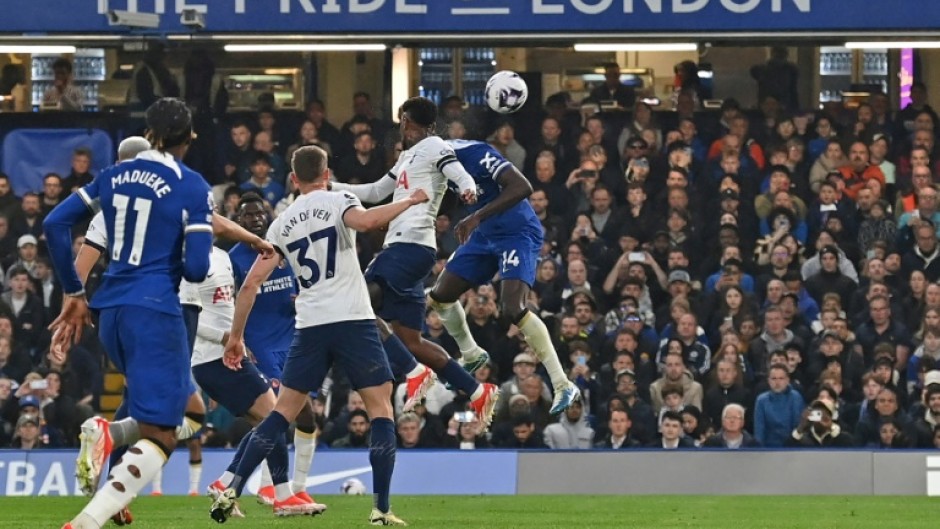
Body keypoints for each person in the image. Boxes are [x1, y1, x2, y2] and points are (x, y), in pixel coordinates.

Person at [210, 145, 426, 526]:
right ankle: (381, 508)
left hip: (310, 326)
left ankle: (231, 486)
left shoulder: (281, 222)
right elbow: (366, 222)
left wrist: (235, 337)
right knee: (381, 409)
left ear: (293, 179)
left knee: (280, 414)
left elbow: (251, 285)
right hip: (353, 320)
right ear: (327, 173)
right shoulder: (338, 199)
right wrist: (408, 201)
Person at [68, 136, 277, 523]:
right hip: (165, 308)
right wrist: (252, 239)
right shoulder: (172, 192)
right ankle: (110, 448)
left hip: (116, 313)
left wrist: (75, 303)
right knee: (185, 414)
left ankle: (112, 483)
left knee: (142, 399)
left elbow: (78, 268)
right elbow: (209, 229)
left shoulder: (106, 210)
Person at [44, 98, 213, 529]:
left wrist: (73, 291)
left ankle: (111, 434)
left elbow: (55, 225)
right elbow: (196, 267)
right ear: (189, 137)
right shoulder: (191, 185)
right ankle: (86, 521)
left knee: (192, 410)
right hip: (155, 311)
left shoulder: (113, 176)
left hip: (111, 313)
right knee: (163, 432)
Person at [331, 96, 499, 427]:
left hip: (408, 248)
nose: (401, 126)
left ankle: (414, 372)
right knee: (411, 341)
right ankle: (478, 391)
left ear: (408, 121)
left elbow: (458, 172)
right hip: (410, 250)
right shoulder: (408, 156)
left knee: (358, 302)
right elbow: (377, 190)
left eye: (402, 120)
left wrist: (467, 189)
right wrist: (330, 187)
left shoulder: (435, 146)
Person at [428, 138, 580, 415]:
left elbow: (522, 186)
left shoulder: (474, 153)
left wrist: (476, 217)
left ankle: (562, 383)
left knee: (513, 308)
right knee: (441, 295)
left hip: (517, 232)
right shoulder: (432, 165)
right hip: (485, 234)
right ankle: (471, 353)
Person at [226, 191, 323, 506]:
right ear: (238, 220)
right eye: (247, 215)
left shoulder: (283, 249)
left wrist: (300, 303)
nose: (255, 219)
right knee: (277, 415)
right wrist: (239, 340)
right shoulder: (233, 259)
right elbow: (228, 305)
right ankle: (265, 486)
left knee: (307, 417)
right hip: (260, 347)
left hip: (294, 342)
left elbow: (298, 291)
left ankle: (299, 485)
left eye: (259, 214)